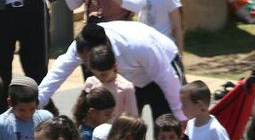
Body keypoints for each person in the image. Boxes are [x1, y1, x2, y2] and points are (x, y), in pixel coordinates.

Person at [39, 20, 185, 120]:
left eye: (89, 60)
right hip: (131, 81)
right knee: (126, 130)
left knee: (168, 127)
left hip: (164, 70)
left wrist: (180, 115)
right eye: (84, 61)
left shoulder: (138, 45)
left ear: (105, 46)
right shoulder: (81, 46)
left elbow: (166, 77)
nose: (88, 66)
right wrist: (37, 100)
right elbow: (58, 72)